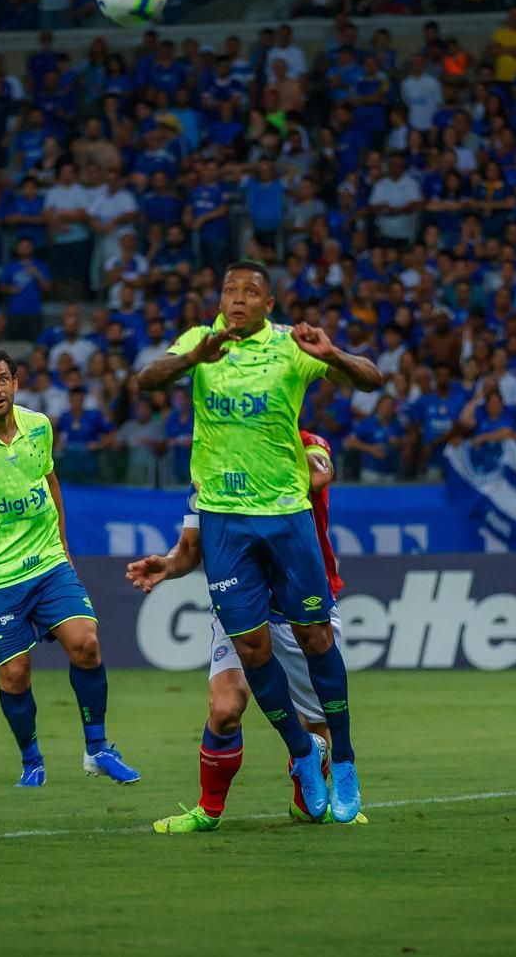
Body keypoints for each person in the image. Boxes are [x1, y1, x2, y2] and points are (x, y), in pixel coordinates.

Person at [134, 260, 384, 823]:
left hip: (284, 516)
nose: (238, 298)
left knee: (316, 637)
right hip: (224, 520)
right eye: (229, 289)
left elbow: (372, 379)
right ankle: (301, 754)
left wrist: (334, 355)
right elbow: (148, 378)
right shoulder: (200, 342)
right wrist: (191, 359)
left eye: (251, 292)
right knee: (250, 650)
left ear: (269, 304)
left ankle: (341, 760)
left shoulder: (293, 345)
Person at [0, 348, 140, 788]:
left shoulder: (40, 426)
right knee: (15, 675)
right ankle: (32, 760)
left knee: (87, 644)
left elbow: (49, 480)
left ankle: (97, 750)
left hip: (49, 563)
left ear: (16, 382)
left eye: (3, 380)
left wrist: (64, 545)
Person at [130, 431, 368, 831]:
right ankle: (208, 810)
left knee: (318, 724)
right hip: (241, 600)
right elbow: (190, 549)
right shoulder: (208, 461)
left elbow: (317, 476)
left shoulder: (309, 442)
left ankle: (306, 802)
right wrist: (167, 566)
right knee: (224, 709)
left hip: (300, 603)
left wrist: (242, 471)